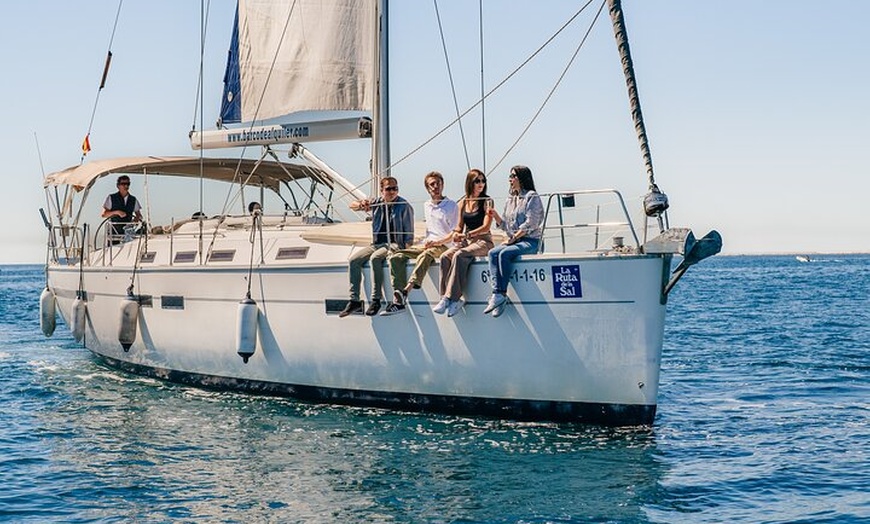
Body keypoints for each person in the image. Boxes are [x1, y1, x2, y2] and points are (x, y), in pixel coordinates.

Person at [382, 171, 458, 316]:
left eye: (438, 183)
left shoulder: (451, 205)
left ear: (443, 185)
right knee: (396, 256)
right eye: (432, 184)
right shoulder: (426, 205)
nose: (436, 187)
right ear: (427, 188)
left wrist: (437, 242)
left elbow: (454, 233)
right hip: (427, 243)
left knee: (425, 256)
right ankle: (398, 299)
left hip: (445, 245)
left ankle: (406, 290)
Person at [339, 176, 414, 318]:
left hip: (393, 243)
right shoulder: (377, 202)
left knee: (375, 258)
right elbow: (352, 205)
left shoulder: (404, 205)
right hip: (376, 243)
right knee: (353, 260)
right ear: (381, 191)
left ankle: (376, 300)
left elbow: (409, 232)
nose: (392, 191)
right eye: (389, 189)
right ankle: (354, 300)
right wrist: (363, 204)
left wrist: (407, 250)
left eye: (395, 188)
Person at [484, 165, 544, 318]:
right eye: (509, 176)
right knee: (492, 253)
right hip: (515, 240)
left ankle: (500, 294)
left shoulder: (531, 196)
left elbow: (532, 223)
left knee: (504, 253)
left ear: (522, 178)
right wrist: (495, 216)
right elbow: (505, 224)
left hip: (530, 241)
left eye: (513, 176)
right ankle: (498, 296)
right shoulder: (510, 199)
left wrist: (514, 238)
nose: (510, 179)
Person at [432, 169, 494, 317]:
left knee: (460, 254)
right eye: (477, 181)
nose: (481, 184)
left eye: (483, 181)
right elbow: (459, 226)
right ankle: (445, 298)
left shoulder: (487, 201)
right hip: (467, 242)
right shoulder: (463, 202)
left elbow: (486, 226)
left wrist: (467, 234)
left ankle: (451, 297)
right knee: (445, 256)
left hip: (483, 241)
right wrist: (456, 235)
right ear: (470, 183)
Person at [101, 175, 143, 243]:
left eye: (128, 184)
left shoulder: (133, 199)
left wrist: (135, 220)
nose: (126, 186)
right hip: (114, 233)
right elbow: (103, 214)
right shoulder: (111, 198)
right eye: (123, 184)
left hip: (128, 233)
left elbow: (139, 215)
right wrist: (117, 212)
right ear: (118, 186)